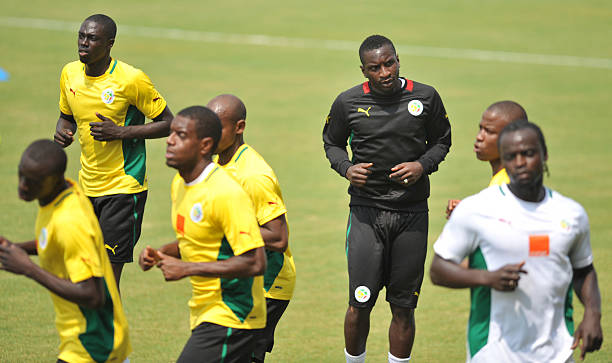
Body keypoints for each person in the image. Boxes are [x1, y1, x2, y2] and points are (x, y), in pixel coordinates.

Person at [323, 34, 452, 363]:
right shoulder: (347, 103)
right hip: (367, 214)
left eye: (389, 63)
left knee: (404, 307)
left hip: (412, 215)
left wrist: (422, 165)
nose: (384, 72)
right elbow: (332, 143)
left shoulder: (425, 97)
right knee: (359, 303)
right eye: (375, 67)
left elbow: (442, 141)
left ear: (398, 59)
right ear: (363, 71)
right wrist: (346, 168)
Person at [430, 120, 603, 362]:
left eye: (528, 154)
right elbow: (438, 270)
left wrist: (593, 314)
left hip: (557, 352)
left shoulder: (571, 213)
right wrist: (487, 278)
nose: (520, 162)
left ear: (544, 154)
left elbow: (584, 270)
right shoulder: (476, 209)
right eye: (511, 156)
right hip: (493, 351)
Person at [53, 14, 174, 290]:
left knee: (106, 282)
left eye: (92, 38)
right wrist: (63, 130)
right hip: (87, 187)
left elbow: (169, 123)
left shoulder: (131, 80)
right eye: (81, 36)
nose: (84, 43)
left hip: (123, 188)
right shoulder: (69, 73)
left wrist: (122, 133)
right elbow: (66, 115)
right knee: (83, 274)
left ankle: (110, 334)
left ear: (109, 44)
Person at [138, 106, 267, 363]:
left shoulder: (225, 193)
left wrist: (186, 268)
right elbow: (199, 238)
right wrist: (162, 253)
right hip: (205, 310)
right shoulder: (180, 184)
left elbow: (255, 261)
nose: (170, 140)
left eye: (181, 135)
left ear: (205, 145)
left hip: (233, 313)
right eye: (171, 132)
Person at [0, 139, 130, 363]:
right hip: (87, 340)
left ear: (54, 179)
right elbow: (54, 239)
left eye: (32, 181)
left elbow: (92, 295)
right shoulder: (64, 193)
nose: (22, 186)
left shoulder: (70, 221)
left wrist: (28, 268)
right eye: (21, 176)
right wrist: (13, 249)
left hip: (94, 345)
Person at [207, 94, 296, 363]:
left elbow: (278, 238)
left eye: (217, 128)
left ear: (239, 127)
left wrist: (226, 233)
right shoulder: (216, 163)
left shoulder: (253, 175)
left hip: (268, 283)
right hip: (241, 278)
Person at [445, 101, 527, 218]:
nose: (479, 137)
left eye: (489, 131)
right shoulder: (505, 179)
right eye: (481, 129)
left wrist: (465, 216)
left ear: (513, 138)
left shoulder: (506, 186)